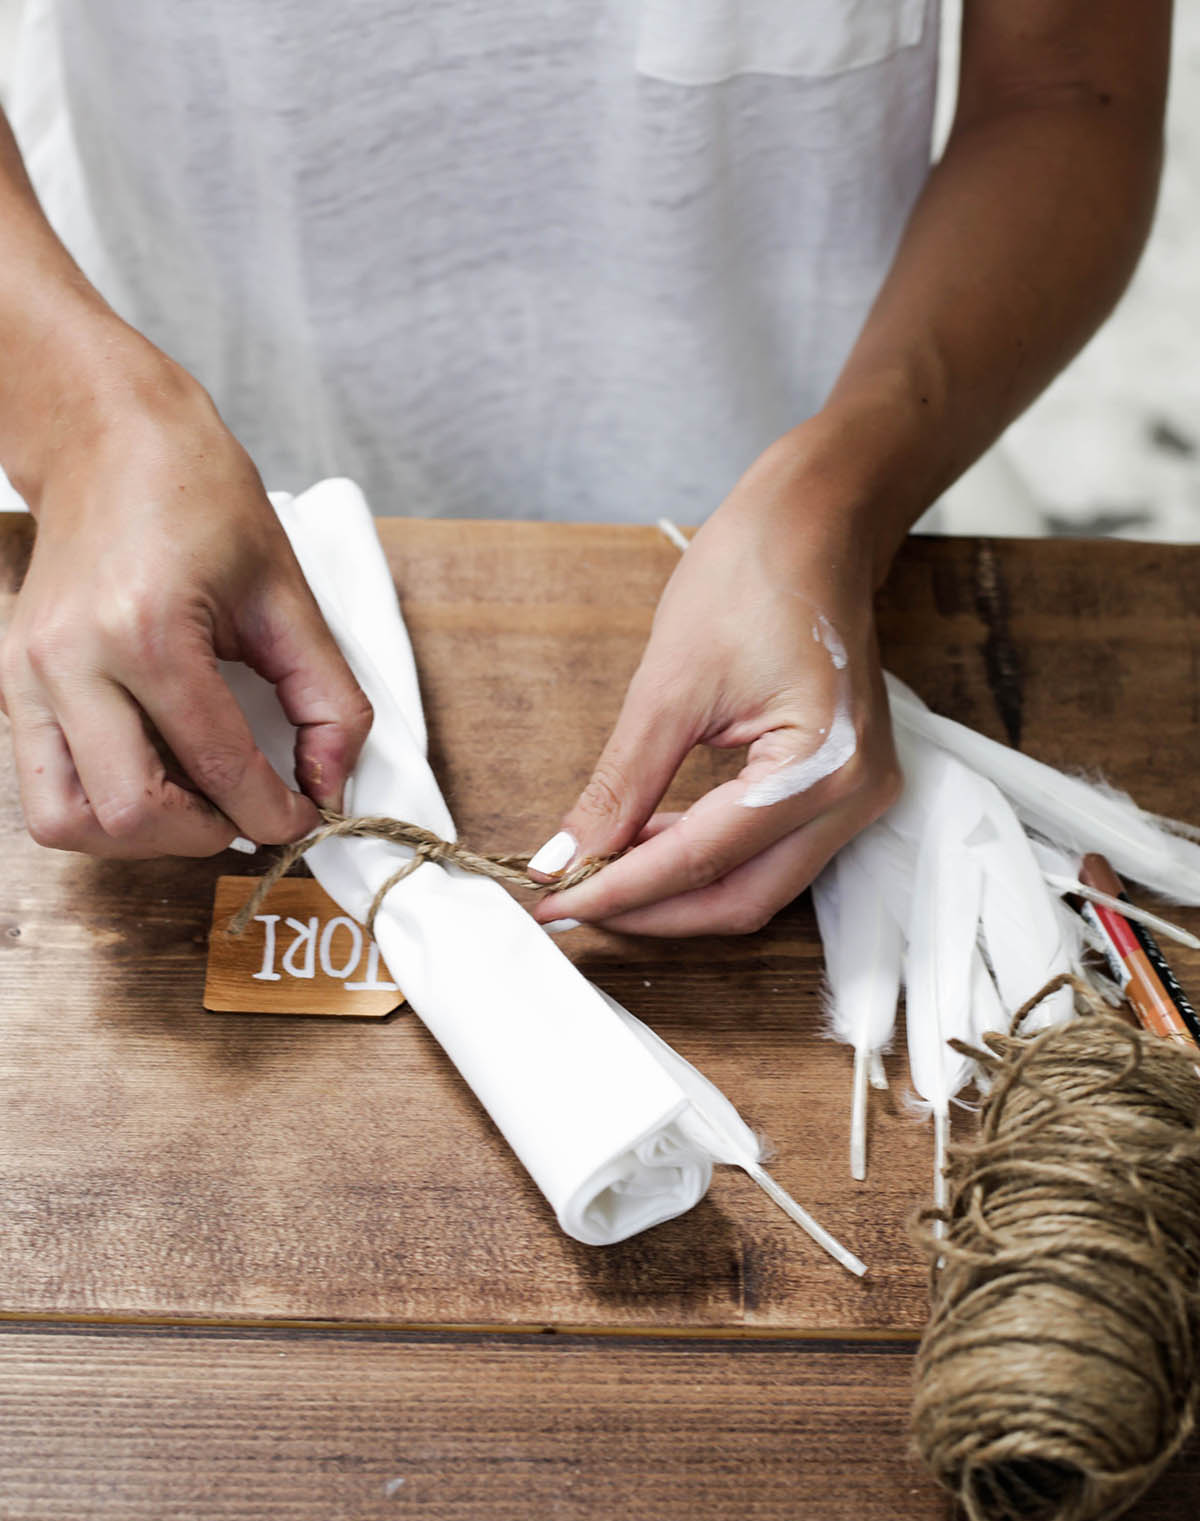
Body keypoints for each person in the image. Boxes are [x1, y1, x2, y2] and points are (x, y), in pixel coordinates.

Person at [0, 1, 1171, 936]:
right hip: (157, 460)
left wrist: (839, 495)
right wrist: (83, 425)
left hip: (822, 481)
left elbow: (1071, 86)